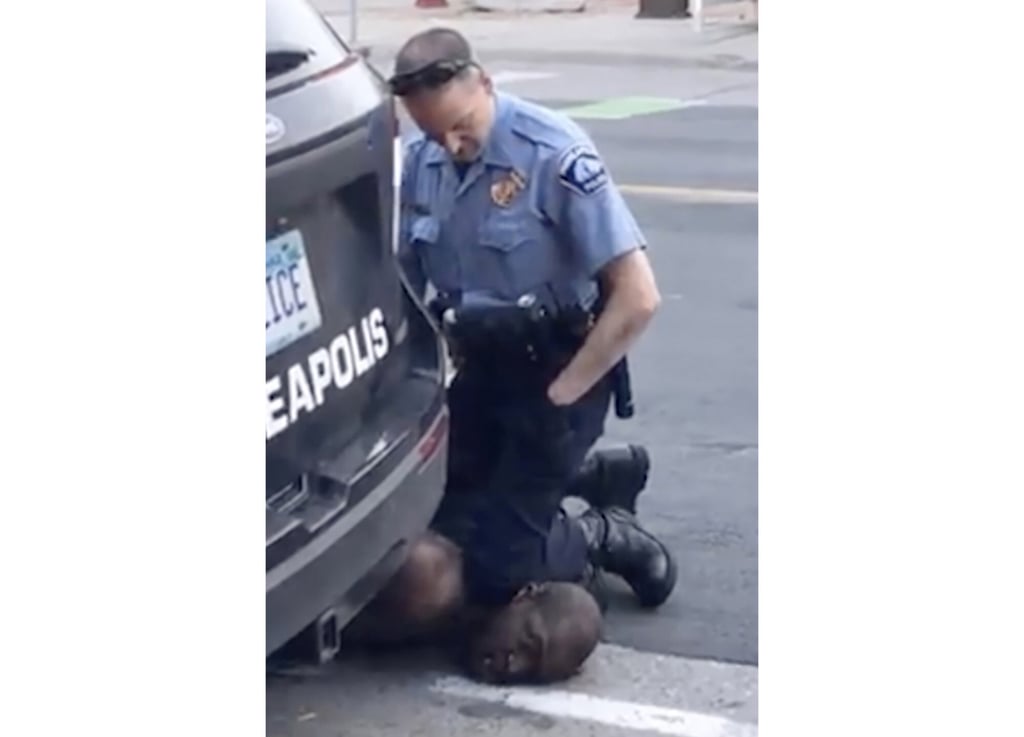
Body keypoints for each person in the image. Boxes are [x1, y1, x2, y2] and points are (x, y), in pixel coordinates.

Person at [345, 27, 677, 648]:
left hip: (558, 367)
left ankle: (601, 534)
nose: (451, 144)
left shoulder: (553, 154)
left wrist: (567, 393)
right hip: (479, 367)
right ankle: (582, 477)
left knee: (497, 569)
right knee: (439, 513)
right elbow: (411, 282)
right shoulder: (425, 163)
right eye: (433, 131)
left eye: (462, 126)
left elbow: (638, 295)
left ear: (486, 85)